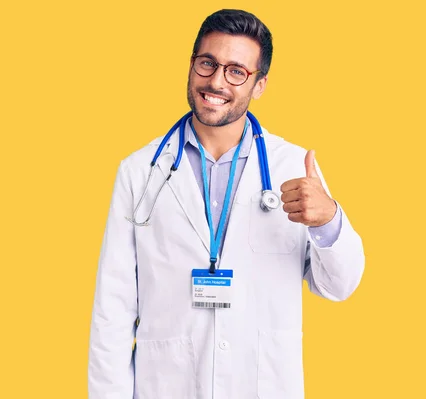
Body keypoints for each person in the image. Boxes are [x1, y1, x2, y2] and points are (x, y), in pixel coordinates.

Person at [88, 9, 365, 399]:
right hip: (166, 384)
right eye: (208, 63)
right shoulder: (139, 172)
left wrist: (328, 220)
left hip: (262, 384)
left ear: (260, 84)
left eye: (237, 71)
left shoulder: (293, 167)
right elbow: (111, 311)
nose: (216, 81)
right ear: (191, 65)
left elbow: (339, 286)